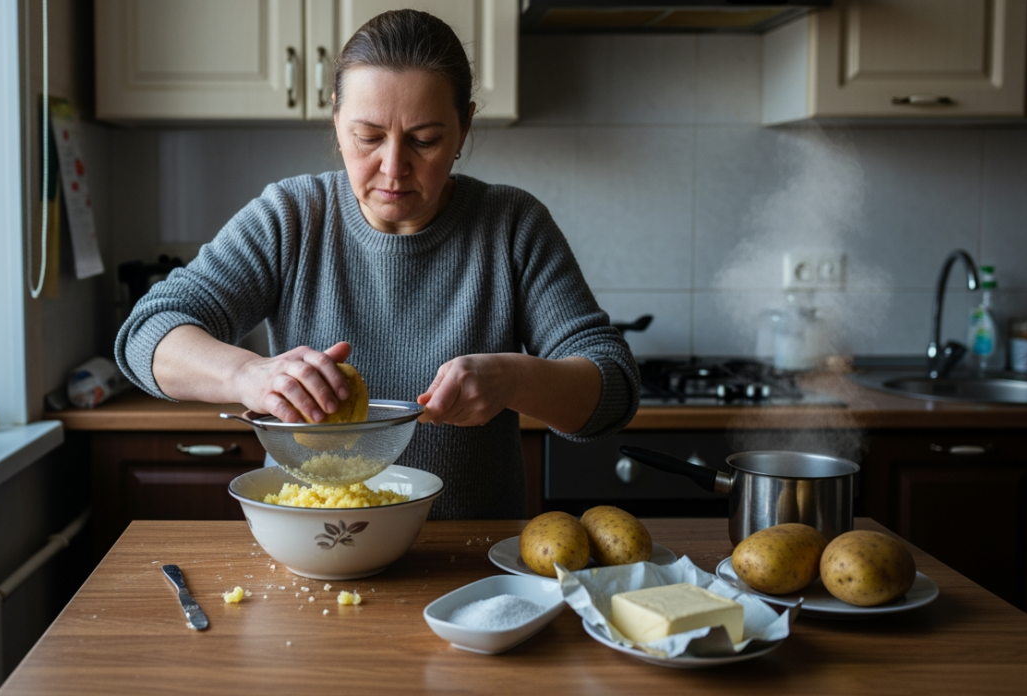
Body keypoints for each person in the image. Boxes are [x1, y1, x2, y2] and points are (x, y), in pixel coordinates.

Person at [115, 9, 638, 519]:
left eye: (424, 140)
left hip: (468, 566)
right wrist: (250, 375)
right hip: (315, 551)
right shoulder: (291, 218)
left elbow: (613, 391)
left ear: (464, 128)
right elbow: (146, 333)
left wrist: (514, 380)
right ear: (337, 118)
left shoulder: (510, 225)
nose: (393, 168)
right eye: (368, 137)